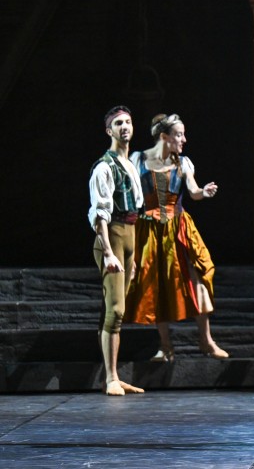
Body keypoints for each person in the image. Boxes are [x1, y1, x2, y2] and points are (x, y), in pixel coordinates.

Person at [125, 114, 228, 359]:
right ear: (164, 137)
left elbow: (193, 191)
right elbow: (129, 194)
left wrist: (204, 192)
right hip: (149, 230)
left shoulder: (183, 163)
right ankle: (165, 346)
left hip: (179, 228)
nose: (184, 139)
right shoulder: (138, 160)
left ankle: (206, 340)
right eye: (179, 135)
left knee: (196, 278)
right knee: (157, 284)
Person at [88, 106, 145, 396]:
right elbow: (100, 215)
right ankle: (111, 377)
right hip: (112, 237)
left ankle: (112, 376)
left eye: (128, 122)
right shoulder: (104, 166)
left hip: (129, 236)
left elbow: (136, 208)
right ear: (109, 130)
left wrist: (132, 256)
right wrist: (109, 253)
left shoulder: (130, 164)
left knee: (113, 309)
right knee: (116, 310)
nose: (125, 126)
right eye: (118, 123)